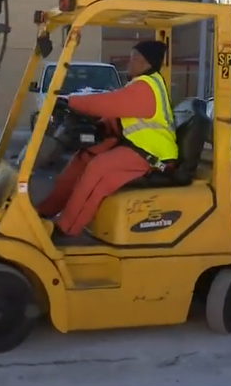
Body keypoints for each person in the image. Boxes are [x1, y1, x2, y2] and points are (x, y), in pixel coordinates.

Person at [36, 40, 177, 238]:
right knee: (84, 157)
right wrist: (100, 124)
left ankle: (65, 228)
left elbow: (110, 103)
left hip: (154, 155)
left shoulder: (147, 86)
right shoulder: (139, 84)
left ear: (147, 63)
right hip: (136, 146)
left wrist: (71, 101)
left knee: (99, 168)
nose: (129, 63)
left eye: (133, 59)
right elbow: (118, 113)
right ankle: (44, 211)